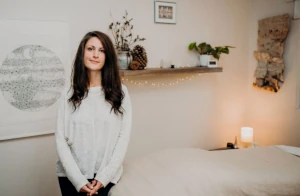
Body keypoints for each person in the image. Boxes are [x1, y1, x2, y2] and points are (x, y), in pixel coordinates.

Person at [55, 31, 132, 196]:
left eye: (102, 50)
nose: (96, 54)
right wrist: (78, 180)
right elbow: (60, 139)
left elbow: (123, 138)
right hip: (71, 176)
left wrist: (104, 177)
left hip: (105, 177)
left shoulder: (121, 93)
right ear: (82, 53)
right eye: (90, 48)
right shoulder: (68, 94)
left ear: (108, 56)